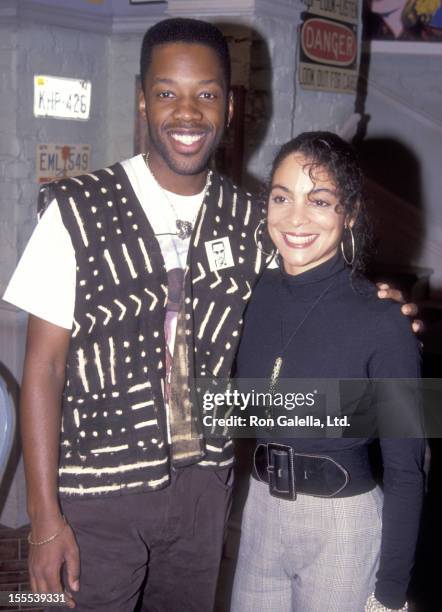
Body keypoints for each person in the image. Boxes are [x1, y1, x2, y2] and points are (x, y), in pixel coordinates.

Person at [2, 18, 417, 612]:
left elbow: (318, 274)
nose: (188, 112)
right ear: (142, 100)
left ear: (229, 104)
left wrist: (382, 304)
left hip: (205, 493)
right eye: (167, 92)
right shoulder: (76, 209)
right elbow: (41, 369)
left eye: (207, 94)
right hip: (98, 497)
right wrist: (43, 518)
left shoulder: (254, 218)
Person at [230, 132, 425, 612]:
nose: (296, 218)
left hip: (344, 528)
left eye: (319, 201)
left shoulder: (386, 322)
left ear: (350, 213)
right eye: (282, 197)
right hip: (260, 513)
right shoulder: (247, 295)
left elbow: (408, 471)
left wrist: (391, 593)